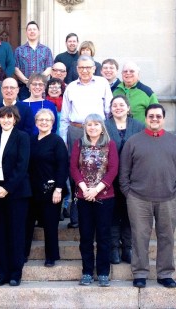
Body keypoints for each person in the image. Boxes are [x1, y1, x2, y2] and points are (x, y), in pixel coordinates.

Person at [119, 104, 176, 289]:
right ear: (146, 118)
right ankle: (140, 273)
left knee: (166, 236)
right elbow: (124, 171)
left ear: (163, 119)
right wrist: (128, 192)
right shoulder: (133, 141)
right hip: (138, 199)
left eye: (158, 116)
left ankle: (165, 273)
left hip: (169, 198)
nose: (155, 119)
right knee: (139, 237)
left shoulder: (174, 141)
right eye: (151, 116)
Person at [59, 55, 112, 229]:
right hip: (76, 130)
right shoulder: (71, 88)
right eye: (81, 68)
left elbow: (108, 110)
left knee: (99, 169)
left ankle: (98, 209)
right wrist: (64, 140)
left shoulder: (103, 84)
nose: (85, 70)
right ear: (76, 69)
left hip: (98, 130)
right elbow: (65, 117)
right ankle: (76, 215)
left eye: (88, 67)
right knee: (76, 170)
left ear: (94, 68)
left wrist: (104, 131)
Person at [70, 114, 118, 287]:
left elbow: (113, 169)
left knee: (104, 236)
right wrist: (85, 189)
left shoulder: (110, 144)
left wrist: (96, 190)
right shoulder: (78, 144)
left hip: (104, 197)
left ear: (102, 127)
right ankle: (87, 271)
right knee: (86, 236)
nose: (93, 127)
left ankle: (103, 272)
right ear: (85, 127)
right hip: (84, 197)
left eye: (96, 124)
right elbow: (74, 168)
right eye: (89, 124)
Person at [0, 106, 31, 287]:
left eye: (10, 117)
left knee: (16, 233)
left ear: (15, 119)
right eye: (3, 117)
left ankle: (15, 273)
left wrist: (7, 188)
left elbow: (22, 166)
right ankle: (1, 273)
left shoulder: (22, 137)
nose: (6, 120)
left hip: (16, 193)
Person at [104, 95, 145, 265]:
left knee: (129, 213)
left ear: (128, 108)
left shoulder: (139, 126)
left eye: (122, 105)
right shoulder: (105, 126)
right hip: (109, 178)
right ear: (110, 109)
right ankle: (113, 247)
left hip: (132, 178)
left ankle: (127, 247)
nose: (118, 107)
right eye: (115, 105)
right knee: (113, 213)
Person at [26, 109, 68, 268]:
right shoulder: (30, 140)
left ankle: (51, 255)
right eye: (41, 120)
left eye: (47, 120)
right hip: (31, 189)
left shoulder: (57, 141)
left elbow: (62, 166)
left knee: (50, 225)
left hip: (51, 191)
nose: (44, 122)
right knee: (27, 223)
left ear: (52, 123)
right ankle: (24, 252)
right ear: (36, 123)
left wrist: (58, 189)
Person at [14, 21, 53, 100]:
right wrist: (27, 82)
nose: (32, 31)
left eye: (34, 29)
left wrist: (38, 80)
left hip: (41, 88)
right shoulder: (19, 50)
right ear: (26, 32)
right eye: (29, 30)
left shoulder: (46, 50)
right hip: (24, 88)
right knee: (24, 110)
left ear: (38, 32)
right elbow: (16, 69)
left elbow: (49, 68)